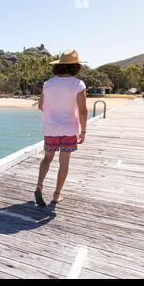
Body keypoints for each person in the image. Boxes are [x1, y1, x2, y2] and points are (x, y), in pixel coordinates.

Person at [35, 50, 88, 206]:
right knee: (64, 162)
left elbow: (41, 106)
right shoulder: (78, 84)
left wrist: (54, 114)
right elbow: (83, 110)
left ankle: (39, 186)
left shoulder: (48, 84)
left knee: (47, 158)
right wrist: (83, 132)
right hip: (69, 129)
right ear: (75, 66)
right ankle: (56, 195)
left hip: (51, 128)